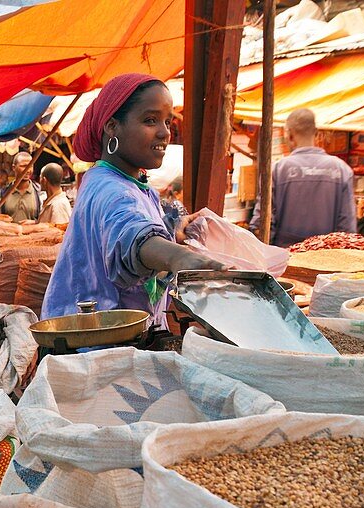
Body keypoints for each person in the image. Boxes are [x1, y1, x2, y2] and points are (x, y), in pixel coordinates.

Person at [43, 73, 227, 326]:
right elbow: (130, 234)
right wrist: (179, 257)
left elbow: (140, 226)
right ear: (112, 127)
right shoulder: (108, 187)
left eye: (167, 122)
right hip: (95, 346)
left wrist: (176, 229)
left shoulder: (133, 184)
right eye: (150, 120)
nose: (164, 132)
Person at [249, 108, 356, 247]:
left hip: (285, 261)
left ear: (289, 135)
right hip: (326, 262)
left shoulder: (277, 170)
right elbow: (347, 229)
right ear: (316, 134)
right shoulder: (342, 170)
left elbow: (262, 225)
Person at [0, 151, 43, 223]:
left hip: (33, 233)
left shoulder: (40, 193)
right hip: (9, 233)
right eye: (23, 166)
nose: (28, 170)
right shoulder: (3, 193)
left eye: (31, 166)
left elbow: (45, 221)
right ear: (14, 167)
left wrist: (34, 222)